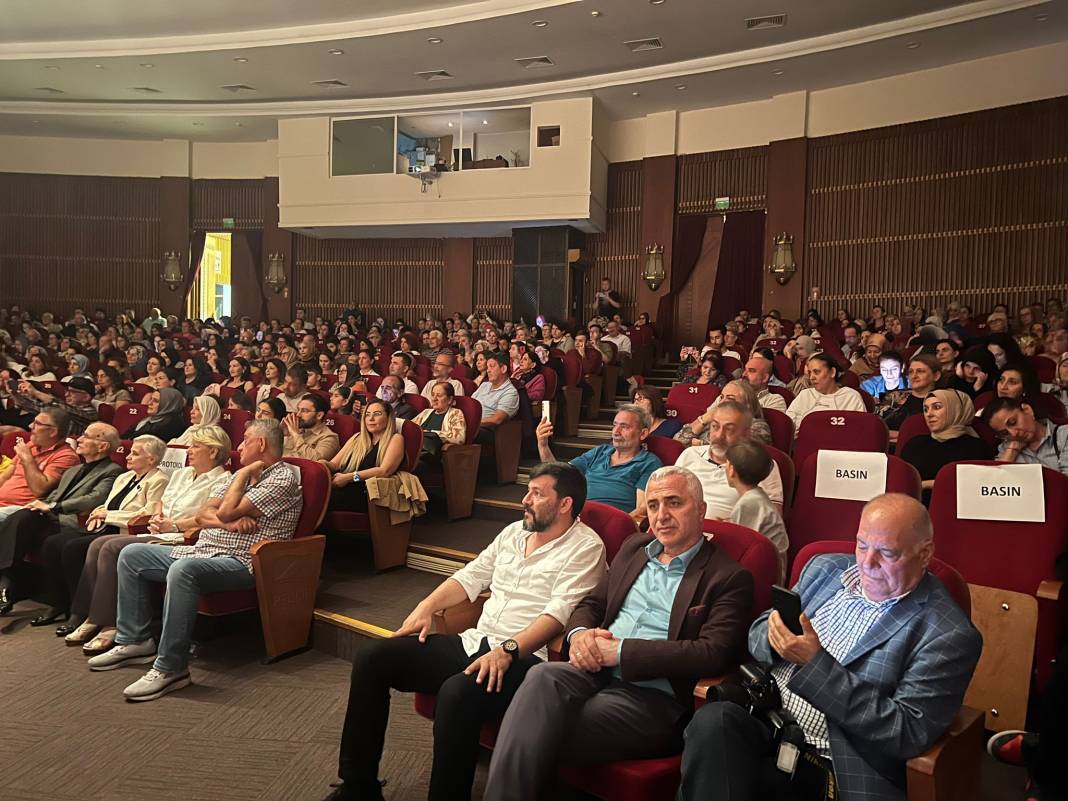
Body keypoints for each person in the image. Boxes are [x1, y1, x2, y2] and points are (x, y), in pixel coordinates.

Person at [324, 463, 606, 801]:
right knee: (373, 658)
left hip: (526, 659)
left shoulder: (586, 547)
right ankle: (359, 786)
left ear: (565, 504)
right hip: (476, 641)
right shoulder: (515, 532)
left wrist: (508, 650)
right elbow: (472, 576)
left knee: (457, 692)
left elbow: (557, 616)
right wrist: (426, 607)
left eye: (536, 493)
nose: (524, 500)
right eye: (527, 490)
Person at [677, 494, 982, 801]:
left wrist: (815, 665)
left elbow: (906, 732)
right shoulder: (824, 570)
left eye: (887, 553)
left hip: (835, 765)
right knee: (712, 723)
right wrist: (775, 639)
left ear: (925, 553)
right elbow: (759, 630)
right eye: (862, 545)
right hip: (768, 722)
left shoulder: (947, 634)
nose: (867, 562)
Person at [482, 466, 753, 801]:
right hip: (592, 670)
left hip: (652, 698)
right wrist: (579, 634)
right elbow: (592, 603)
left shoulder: (727, 576)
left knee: (537, 728)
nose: (661, 515)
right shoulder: (635, 548)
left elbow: (712, 652)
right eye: (653, 506)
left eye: (674, 503)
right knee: (540, 676)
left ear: (700, 510)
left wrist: (622, 652)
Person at [87, 419, 302, 701]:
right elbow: (205, 515)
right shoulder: (243, 474)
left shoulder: (281, 478)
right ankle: (135, 639)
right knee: (131, 555)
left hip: (243, 561)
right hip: (204, 549)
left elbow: (222, 512)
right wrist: (228, 520)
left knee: (184, 570)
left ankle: (171, 668)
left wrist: (237, 485)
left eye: (245, 440)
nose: (238, 447)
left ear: (261, 444)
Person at [63, 425, 233, 651]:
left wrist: (172, 524)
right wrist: (158, 517)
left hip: (182, 536)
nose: (189, 450)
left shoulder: (223, 480)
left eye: (196, 446)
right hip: (158, 529)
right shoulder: (182, 473)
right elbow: (163, 501)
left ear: (213, 452)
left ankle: (109, 624)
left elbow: (206, 517)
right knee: (97, 544)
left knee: (112, 547)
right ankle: (93, 617)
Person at [25, 434, 168, 626]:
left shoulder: (159, 480)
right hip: (103, 525)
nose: (127, 457)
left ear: (151, 459)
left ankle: (81, 611)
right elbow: (108, 504)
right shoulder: (125, 477)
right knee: (53, 542)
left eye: (134, 454)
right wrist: (97, 512)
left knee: (73, 548)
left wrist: (107, 516)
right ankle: (58, 603)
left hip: (124, 531)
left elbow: (146, 513)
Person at [0, 421, 123, 617]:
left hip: (74, 521)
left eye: (86, 436)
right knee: (23, 515)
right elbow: (55, 494)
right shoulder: (74, 470)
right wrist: (42, 503)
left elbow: (92, 499)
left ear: (102, 446)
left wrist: (52, 506)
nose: (79, 439)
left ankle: (8, 583)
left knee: (26, 523)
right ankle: (6, 581)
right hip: (51, 517)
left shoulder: (113, 471)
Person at [537, 404, 661, 519]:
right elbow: (559, 474)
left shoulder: (648, 462)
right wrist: (543, 446)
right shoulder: (600, 451)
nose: (615, 432)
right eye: (615, 425)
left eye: (624, 427)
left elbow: (642, 509)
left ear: (643, 433)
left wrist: (615, 526)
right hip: (572, 516)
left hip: (606, 525)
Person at [676, 401, 784, 519]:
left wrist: (731, 525)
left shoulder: (761, 464)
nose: (719, 435)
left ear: (746, 434)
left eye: (729, 429)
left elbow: (773, 518)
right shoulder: (690, 454)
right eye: (715, 426)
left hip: (731, 535)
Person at [899, 389, 994, 504]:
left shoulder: (977, 448)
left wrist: (928, 484)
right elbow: (900, 484)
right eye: (926, 409)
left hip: (958, 512)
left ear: (956, 409)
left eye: (937, 407)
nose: (929, 414)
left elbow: (979, 488)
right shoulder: (914, 444)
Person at [325, 400, 406, 514]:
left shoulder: (395, 439)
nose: (370, 418)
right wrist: (321, 464)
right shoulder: (357, 437)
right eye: (367, 414)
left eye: (377, 414)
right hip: (343, 486)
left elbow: (384, 471)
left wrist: (349, 477)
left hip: (366, 494)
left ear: (388, 418)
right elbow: (334, 464)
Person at [725, 440, 788, 583]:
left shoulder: (749, 504)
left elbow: (741, 549)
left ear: (731, 469)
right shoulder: (756, 498)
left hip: (762, 581)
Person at [983, 396, 1068, 475]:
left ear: (1027, 410)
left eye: (1013, 422)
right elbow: (996, 482)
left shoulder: (1064, 435)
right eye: (1005, 433)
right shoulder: (1006, 449)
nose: (1013, 433)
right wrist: (1013, 450)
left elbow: (1065, 483)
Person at [677, 380, 773, 447]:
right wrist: (703, 419)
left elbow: (734, 449)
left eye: (730, 398)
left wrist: (699, 443)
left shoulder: (757, 426)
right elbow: (679, 441)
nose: (722, 402)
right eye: (722, 397)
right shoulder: (710, 421)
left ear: (747, 405)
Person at [786, 354, 866, 431]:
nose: (811, 377)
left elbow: (859, 430)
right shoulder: (805, 395)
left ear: (832, 372)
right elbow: (788, 426)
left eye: (816, 372)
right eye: (810, 373)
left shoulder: (851, 397)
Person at [880, 353, 940, 435]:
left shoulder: (942, 402)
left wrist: (900, 435)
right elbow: (877, 427)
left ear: (936, 376)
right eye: (911, 372)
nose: (914, 376)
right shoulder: (894, 396)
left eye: (920, 371)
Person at [471, 353, 520, 446]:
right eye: (487, 367)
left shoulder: (510, 392)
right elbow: (471, 404)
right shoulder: (484, 385)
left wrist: (472, 423)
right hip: (472, 424)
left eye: (492, 366)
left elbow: (497, 419)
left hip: (488, 430)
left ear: (503, 369)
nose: (488, 370)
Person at [413, 382, 467, 463]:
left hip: (432, 456)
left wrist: (431, 433)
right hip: (415, 449)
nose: (434, 399)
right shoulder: (426, 412)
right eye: (433, 394)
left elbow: (459, 438)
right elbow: (410, 428)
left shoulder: (455, 413)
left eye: (439, 395)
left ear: (450, 400)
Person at [282, 393, 340, 461]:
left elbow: (314, 461)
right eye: (298, 410)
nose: (298, 414)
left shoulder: (329, 437)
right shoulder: (296, 429)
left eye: (304, 411)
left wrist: (295, 435)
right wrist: (281, 434)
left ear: (319, 415)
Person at [120, 387, 187, 441]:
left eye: (156, 401)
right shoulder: (150, 418)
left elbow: (144, 439)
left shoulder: (172, 423)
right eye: (151, 399)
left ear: (168, 404)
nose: (149, 403)